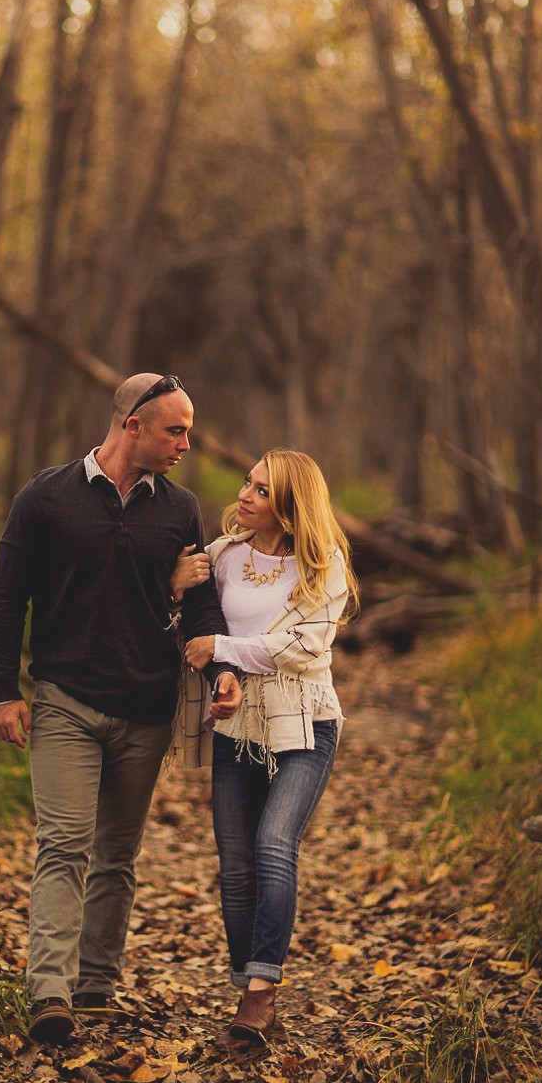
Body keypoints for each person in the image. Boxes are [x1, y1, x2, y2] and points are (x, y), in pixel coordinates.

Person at [0, 373, 243, 1045]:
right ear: (133, 423)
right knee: (64, 843)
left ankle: (94, 982)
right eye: (175, 430)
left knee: (116, 853)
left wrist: (220, 666)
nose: (187, 443)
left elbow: (199, 604)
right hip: (66, 700)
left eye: (188, 430)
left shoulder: (180, 508)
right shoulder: (46, 497)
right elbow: (7, 597)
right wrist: (4, 691)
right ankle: (49, 992)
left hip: (147, 708)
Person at [170, 449, 359, 1048]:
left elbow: (302, 648)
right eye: (247, 483)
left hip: (305, 723)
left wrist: (223, 651)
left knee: (275, 843)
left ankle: (260, 993)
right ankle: (246, 983)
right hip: (236, 724)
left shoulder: (321, 563)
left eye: (261, 489)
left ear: (289, 504)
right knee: (235, 865)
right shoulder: (224, 556)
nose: (244, 494)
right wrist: (180, 598)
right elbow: (190, 625)